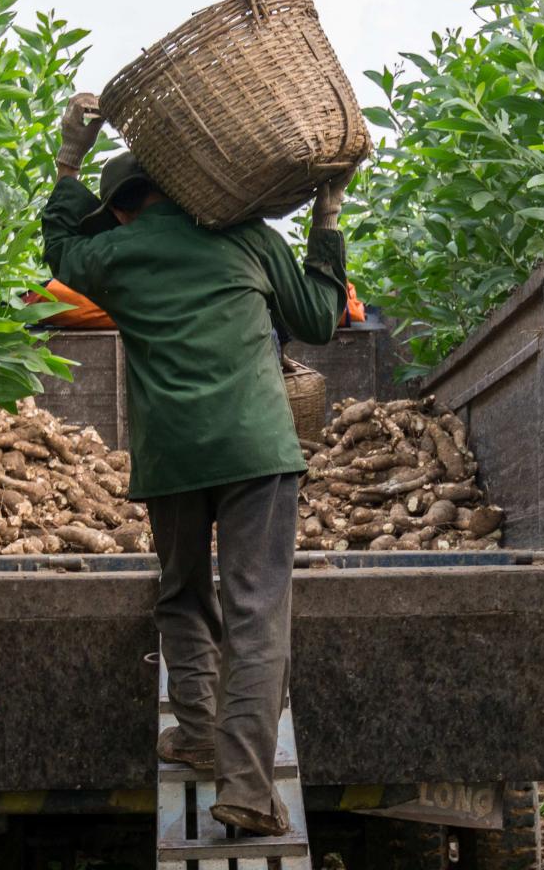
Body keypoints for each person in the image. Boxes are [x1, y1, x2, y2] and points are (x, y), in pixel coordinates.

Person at [42, 93, 351, 837]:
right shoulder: (245, 236)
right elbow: (319, 319)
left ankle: (201, 733)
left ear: (121, 210)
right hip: (257, 451)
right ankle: (244, 782)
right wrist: (326, 221)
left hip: (174, 455)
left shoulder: (112, 255)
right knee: (256, 607)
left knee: (183, 594)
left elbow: (57, 247)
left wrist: (67, 157)